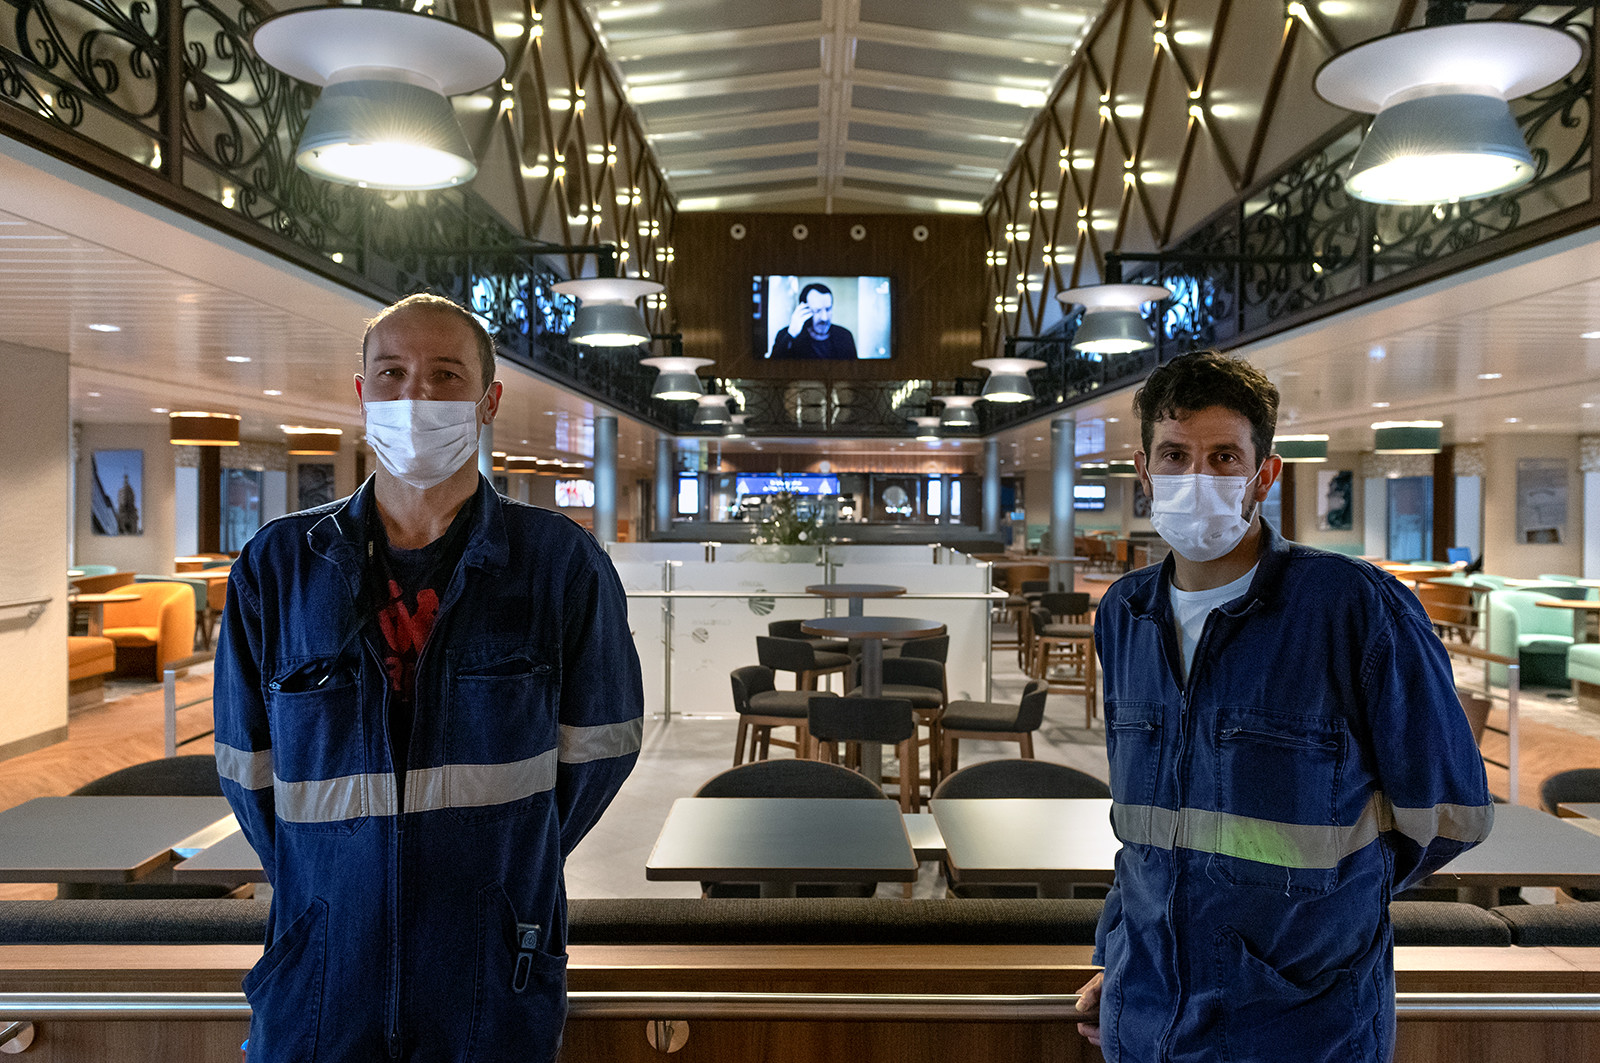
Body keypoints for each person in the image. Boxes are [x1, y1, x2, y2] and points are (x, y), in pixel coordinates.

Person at [213, 293, 643, 1063]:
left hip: (489, 972)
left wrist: (502, 870)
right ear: (362, 393)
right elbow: (249, 770)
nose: (416, 396)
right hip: (321, 970)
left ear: (488, 401)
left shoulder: (557, 564)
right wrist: (337, 875)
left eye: (445, 375)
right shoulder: (277, 570)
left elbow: (601, 747)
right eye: (393, 373)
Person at [1076, 350, 1492, 1062]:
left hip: (1302, 1028)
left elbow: (1451, 815)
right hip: (1143, 1021)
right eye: (1174, 455)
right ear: (1143, 473)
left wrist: (1324, 909)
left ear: (1263, 475)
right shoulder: (1125, 614)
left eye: (1222, 457)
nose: (1196, 477)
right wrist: (1122, 948)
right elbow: (1146, 836)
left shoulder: (1353, 610)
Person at [770, 282, 857, 359]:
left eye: (828, 309)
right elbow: (772, 369)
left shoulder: (845, 336)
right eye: (817, 311)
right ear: (803, 310)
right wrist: (791, 335)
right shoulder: (786, 335)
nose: (824, 318)